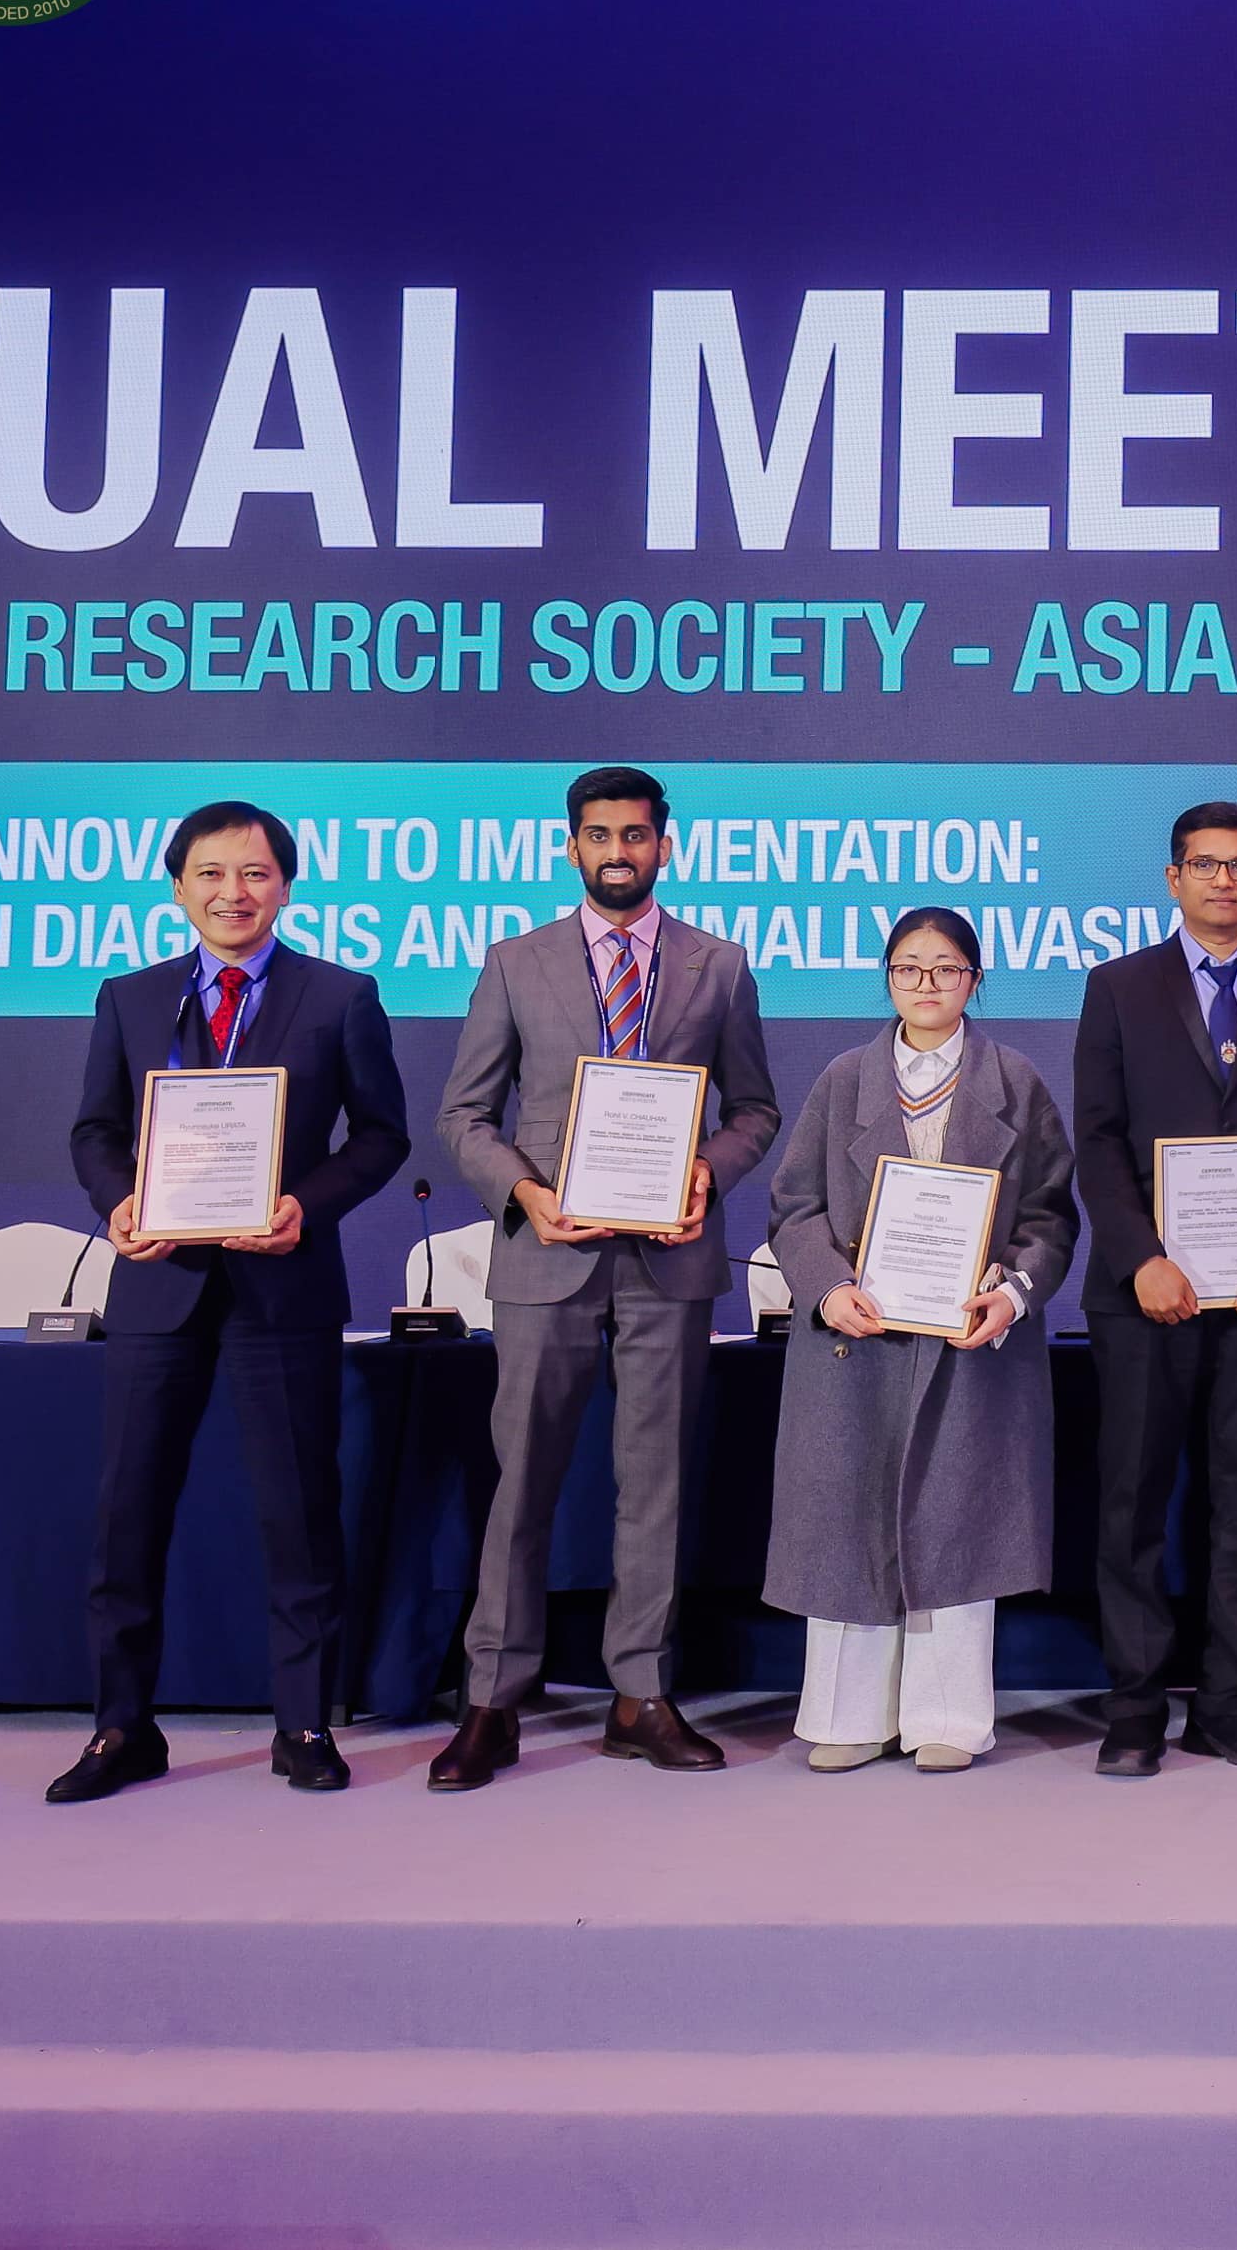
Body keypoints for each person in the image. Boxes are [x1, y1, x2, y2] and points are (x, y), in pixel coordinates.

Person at [429, 765, 782, 1791]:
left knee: (656, 1483)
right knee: (524, 1481)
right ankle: (493, 1699)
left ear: (664, 845)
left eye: (634, 835)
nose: (617, 851)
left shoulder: (720, 966)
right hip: (547, 1250)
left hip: (671, 1256)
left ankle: (640, 1695)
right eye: (598, 835)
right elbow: (464, 1115)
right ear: (571, 845)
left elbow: (755, 1109)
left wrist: (708, 1171)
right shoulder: (515, 962)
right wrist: (524, 1194)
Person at [48, 801, 409, 1804]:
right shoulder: (130, 998)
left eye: (254, 873)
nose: (232, 892)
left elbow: (381, 1136)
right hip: (157, 1284)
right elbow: (94, 1130)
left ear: (285, 886)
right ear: (178, 889)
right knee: (127, 1515)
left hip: (281, 1287)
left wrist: (306, 1205)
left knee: (299, 1513)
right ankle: (122, 1727)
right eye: (210, 874)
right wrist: (117, 1201)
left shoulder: (341, 996)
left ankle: (303, 1723)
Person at [760, 910, 1077, 1773]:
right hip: (855, 1343)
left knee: (957, 1519)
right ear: (888, 978)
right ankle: (847, 1713)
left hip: (969, 1343)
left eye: (946, 968)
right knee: (846, 1521)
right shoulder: (842, 1080)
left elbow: (1052, 1216)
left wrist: (1012, 1292)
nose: (927, 983)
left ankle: (949, 1716)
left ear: (976, 979)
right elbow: (793, 1207)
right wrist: (828, 1287)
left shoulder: (1016, 1082)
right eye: (909, 967)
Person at [1069, 802, 1237, 1777]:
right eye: (1204, 864)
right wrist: (1140, 1255)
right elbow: (1097, 1138)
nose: (1222, 880)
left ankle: (1229, 1701)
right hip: (1145, 1294)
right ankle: (1135, 1708)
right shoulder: (1117, 986)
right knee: (1132, 1503)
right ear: (1173, 878)